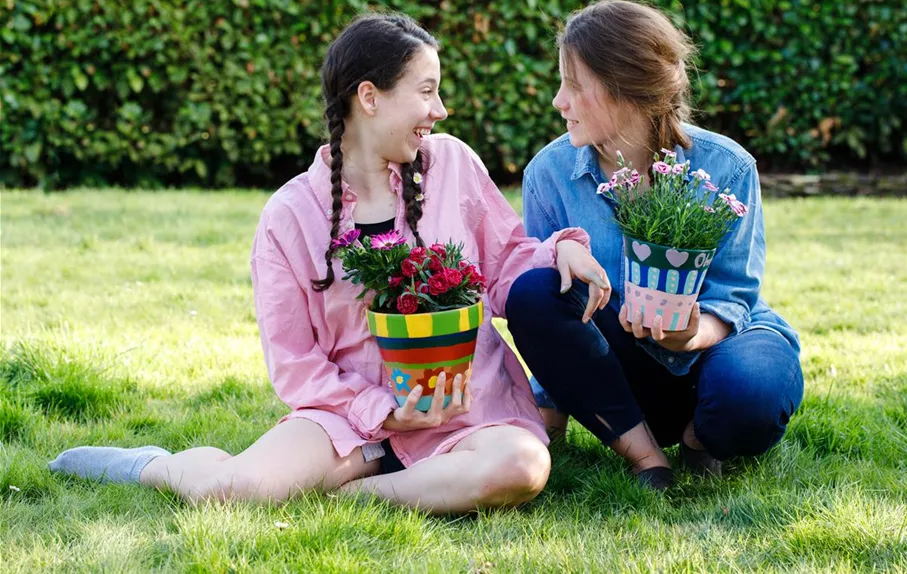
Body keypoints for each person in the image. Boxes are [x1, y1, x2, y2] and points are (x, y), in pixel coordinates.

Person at [48, 13, 608, 514]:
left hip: (462, 410)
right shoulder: (290, 216)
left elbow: (507, 257)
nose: (439, 110)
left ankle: (350, 495)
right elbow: (295, 363)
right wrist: (383, 412)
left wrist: (557, 249)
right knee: (232, 491)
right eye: (426, 91)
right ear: (369, 97)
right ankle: (155, 464)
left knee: (522, 467)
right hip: (350, 416)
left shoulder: (453, 164)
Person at [505, 0, 804, 490]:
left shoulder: (726, 167)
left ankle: (701, 440)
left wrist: (687, 335)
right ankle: (644, 451)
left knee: (751, 394)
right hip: (621, 378)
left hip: (717, 348)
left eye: (575, 86)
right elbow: (550, 312)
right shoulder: (550, 175)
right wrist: (547, 407)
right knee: (536, 286)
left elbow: (735, 298)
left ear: (627, 88)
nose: (559, 101)